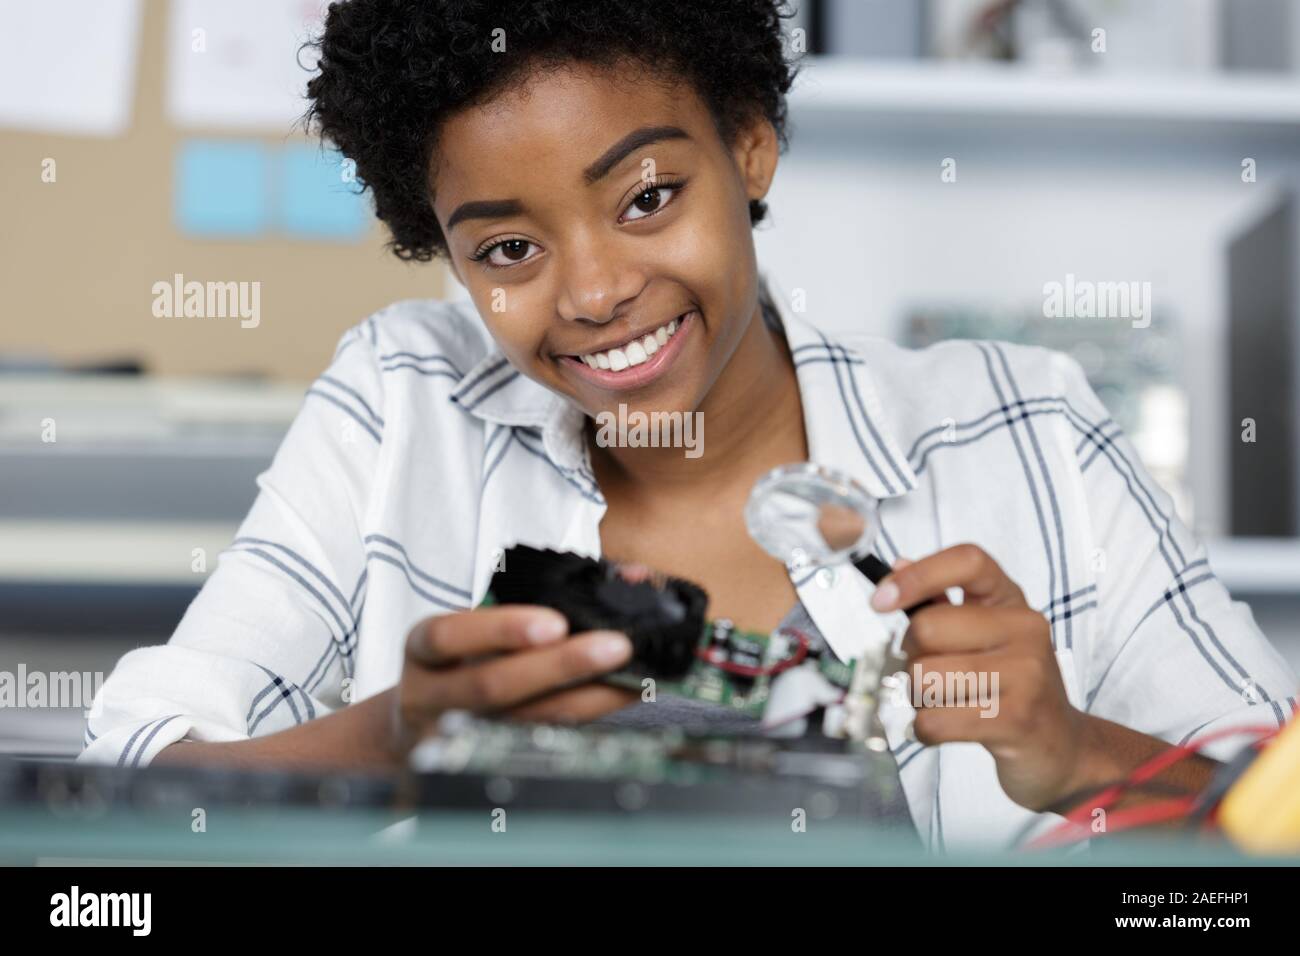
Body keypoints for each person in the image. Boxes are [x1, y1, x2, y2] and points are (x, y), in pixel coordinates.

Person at [82, 0, 1297, 849]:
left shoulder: (1023, 424)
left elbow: (1275, 812)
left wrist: (1074, 748)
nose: (595, 289)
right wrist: (405, 730)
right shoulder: (403, 400)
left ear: (750, 144)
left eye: (648, 196)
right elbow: (127, 791)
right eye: (509, 248)